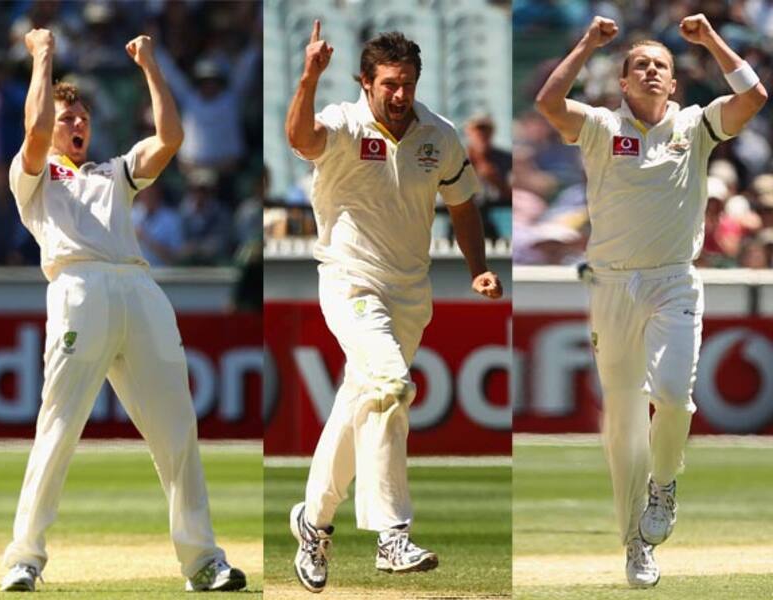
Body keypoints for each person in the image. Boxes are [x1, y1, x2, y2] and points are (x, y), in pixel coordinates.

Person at [0, 28, 245, 593]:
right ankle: (25, 559)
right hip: (78, 288)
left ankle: (203, 560)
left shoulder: (113, 171)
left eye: (83, 117)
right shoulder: (32, 174)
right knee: (58, 427)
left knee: (177, 430)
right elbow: (35, 130)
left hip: (139, 290)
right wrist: (43, 56)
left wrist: (151, 65)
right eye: (68, 117)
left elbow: (171, 137)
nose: (77, 124)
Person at [535, 13, 766, 588]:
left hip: (673, 281)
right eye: (640, 65)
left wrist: (710, 39)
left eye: (660, 65)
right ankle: (635, 543)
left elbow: (754, 97)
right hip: (612, 284)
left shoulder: (695, 125)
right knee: (624, 424)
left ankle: (664, 486)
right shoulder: (600, 125)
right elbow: (548, 103)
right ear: (623, 80)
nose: (651, 72)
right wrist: (587, 43)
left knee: (672, 396)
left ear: (673, 81)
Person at [284, 21, 503, 594]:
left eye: (407, 83)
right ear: (366, 82)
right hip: (351, 282)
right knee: (390, 386)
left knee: (362, 402)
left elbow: (462, 203)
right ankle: (392, 534)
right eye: (389, 84)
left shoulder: (440, 135)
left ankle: (313, 522)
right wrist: (308, 76)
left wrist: (477, 266)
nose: (400, 94)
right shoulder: (343, 122)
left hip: (409, 293)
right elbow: (300, 139)